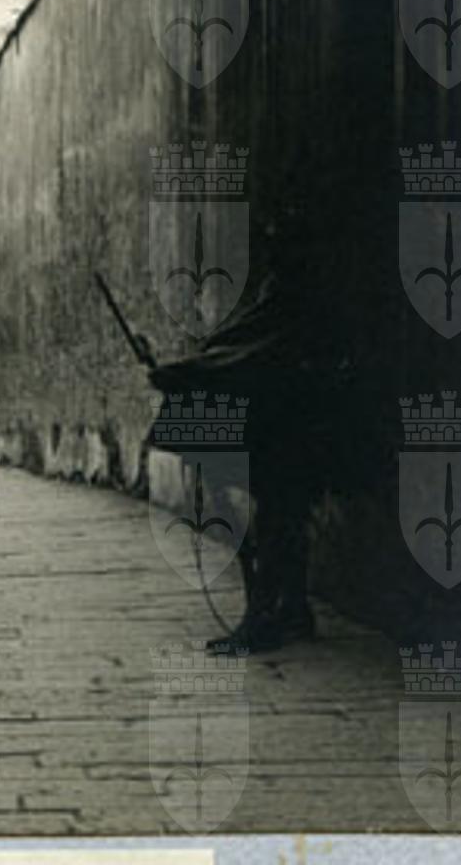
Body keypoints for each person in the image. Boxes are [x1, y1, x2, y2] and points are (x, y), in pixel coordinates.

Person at [148, 267, 347, 655]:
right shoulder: (297, 292)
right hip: (305, 424)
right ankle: (293, 608)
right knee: (287, 513)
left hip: (304, 427)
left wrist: (180, 373)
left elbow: (248, 350)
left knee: (278, 516)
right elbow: (240, 344)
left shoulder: (297, 298)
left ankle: (262, 620)